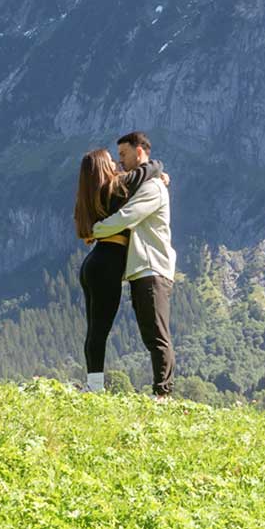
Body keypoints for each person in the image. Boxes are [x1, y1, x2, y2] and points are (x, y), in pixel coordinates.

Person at [87, 129, 176, 398]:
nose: (120, 160)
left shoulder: (152, 188)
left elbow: (128, 216)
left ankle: (163, 393)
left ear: (140, 152)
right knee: (150, 332)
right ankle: (160, 392)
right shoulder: (148, 182)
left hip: (152, 268)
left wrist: (96, 229)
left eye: (124, 154)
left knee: (157, 333)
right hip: (141, 269)